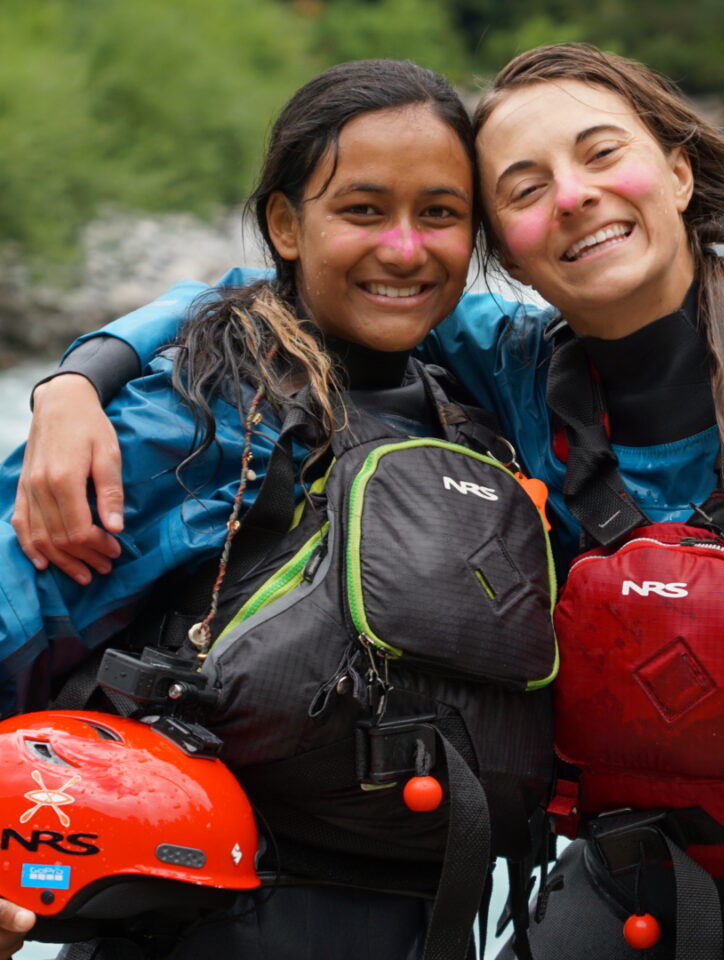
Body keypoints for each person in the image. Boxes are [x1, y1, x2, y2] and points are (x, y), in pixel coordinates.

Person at [3, 45, 724, 959]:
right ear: (511, 252)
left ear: (679, 171)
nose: (572, 198)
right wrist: (86, 376)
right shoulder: (494, 375)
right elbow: (286, 279)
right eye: (525, 190)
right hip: (613, 904)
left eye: (601, 154)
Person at [0, 58, 561, 960]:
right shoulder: (192, 417)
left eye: (440, 214)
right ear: (286, 224)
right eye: (363, 210)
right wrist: (77, 381)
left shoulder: (486, 416)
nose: (404, 249)